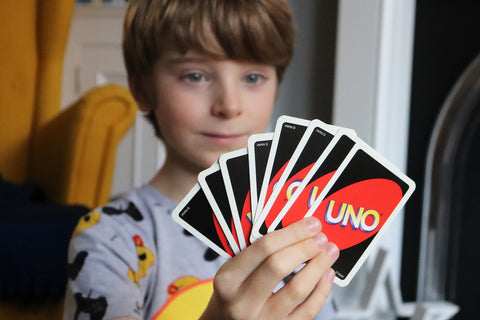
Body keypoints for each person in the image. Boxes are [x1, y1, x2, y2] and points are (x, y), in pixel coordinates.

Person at [63, 0, 339, 319]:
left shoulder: (297, 227)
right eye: (195, 76)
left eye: (252, 78)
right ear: (141, 88)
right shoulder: (109, 237)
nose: (229, 105)